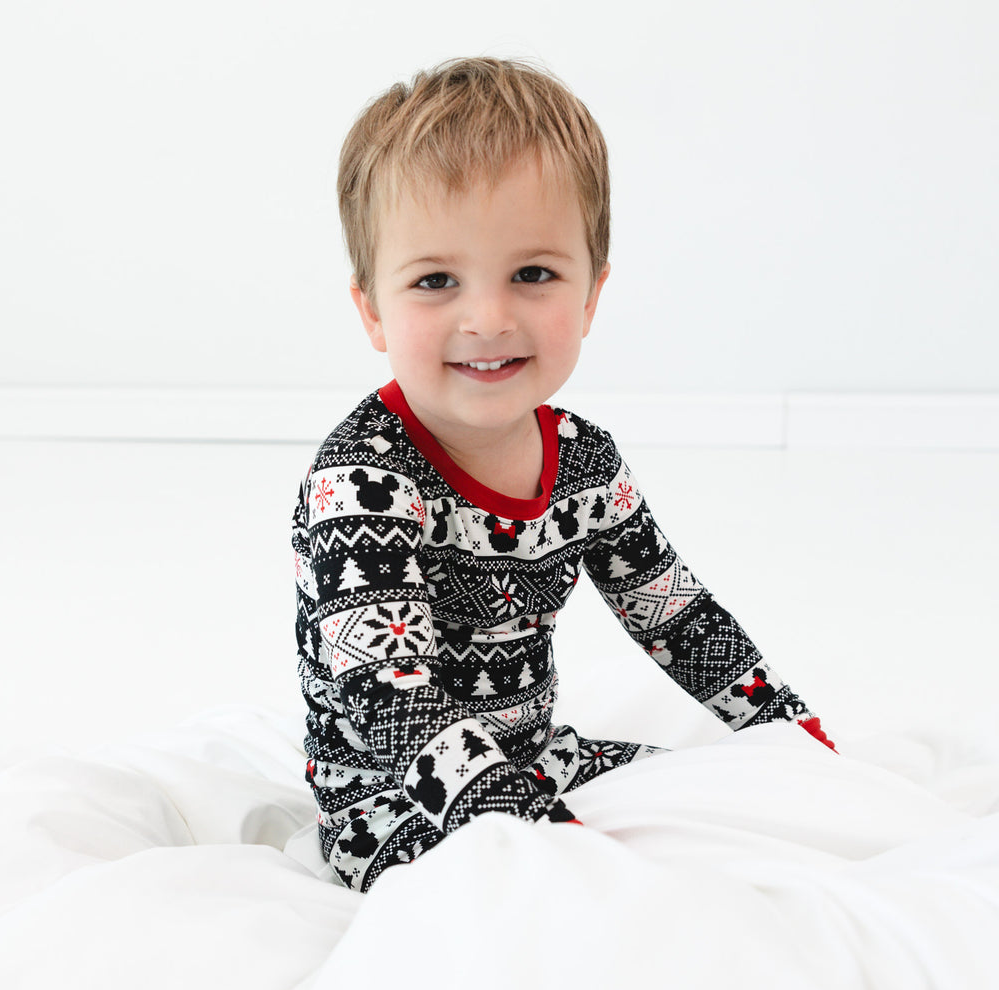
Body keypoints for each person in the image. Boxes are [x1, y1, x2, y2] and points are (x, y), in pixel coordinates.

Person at [292, 56, 834, 893]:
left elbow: (677, 614)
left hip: (537, 758)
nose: (488, 317)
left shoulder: (585, 462)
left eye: (533, 274)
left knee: (722, 806)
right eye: (436, 281)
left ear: (590, 295)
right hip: (392, 798)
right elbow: (387, 694)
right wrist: (539, 829)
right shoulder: (360, 483)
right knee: (556, 895)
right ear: (371, 310)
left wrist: (783, 732)